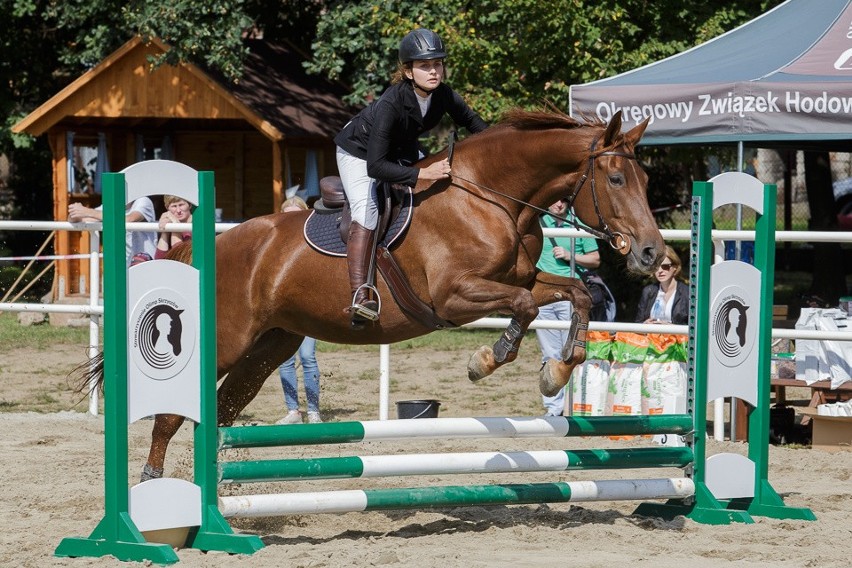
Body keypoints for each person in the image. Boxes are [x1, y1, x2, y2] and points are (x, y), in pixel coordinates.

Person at [334, 27, 488, 328]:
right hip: (360, 154)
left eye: (438, 64)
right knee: (367, 211)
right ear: (407, 71)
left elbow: (477, 126)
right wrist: (422, 173)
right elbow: (376, 167)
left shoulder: (443, 95)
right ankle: (360, 295)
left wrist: (501, 153)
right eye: (425, 65)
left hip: (399, 150)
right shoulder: (391, 103)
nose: (434, 71)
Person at [535, 199, 601, 417]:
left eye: (564, 200)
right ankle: (553, 409)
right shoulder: (538, 220)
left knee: (571, 351)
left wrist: (570, 255)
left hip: (570, 295)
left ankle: (574, 405)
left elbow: (595, 259)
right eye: (555, 200)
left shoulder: (578, 221)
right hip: (543, 294)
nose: (559, 204)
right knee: (549, 352)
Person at [277, 196, 323, 424]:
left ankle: (314, 410)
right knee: (284, 360)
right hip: (285, 310)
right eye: (287, 217)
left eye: (296, 216)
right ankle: (293, 411)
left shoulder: (313, 244)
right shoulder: (274, 248)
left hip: (308, 309)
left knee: (307, 356)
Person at [68, 197, 157, 267]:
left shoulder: (143, 201)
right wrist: (75, 211)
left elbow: (129, 219)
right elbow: (77, 218)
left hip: (145, 262)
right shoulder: (112, 204)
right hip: (122, 264)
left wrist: (88, 211)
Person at [634, 245, 689, 325]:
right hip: (651, 336)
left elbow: (694, 328)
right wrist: (645, 324)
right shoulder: (648, 291)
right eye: (656, 267)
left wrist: (672, 328)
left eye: (665, 266)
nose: (660, 271)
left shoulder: (687, 293)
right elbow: (637, 323)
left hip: (676, 337)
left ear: (675, 267)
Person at [154, 195, 192, 260]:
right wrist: (165, 230)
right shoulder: (169, 221)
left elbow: (181, 257)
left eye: (181, 205)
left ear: (190, 205)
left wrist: (175, 226)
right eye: (174, 206)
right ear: (167, 208)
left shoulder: (198, 222)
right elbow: (159, 259)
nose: (178, 210)